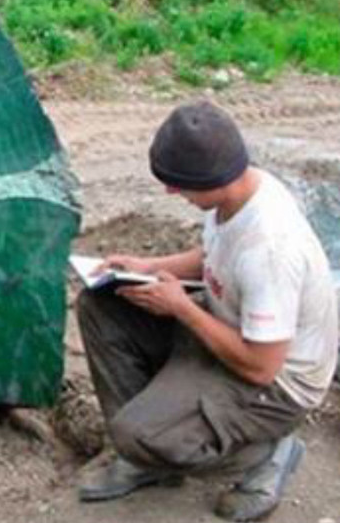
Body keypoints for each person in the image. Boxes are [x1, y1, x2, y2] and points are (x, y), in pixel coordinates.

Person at [75, 101, 338, 521]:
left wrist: (183, 308)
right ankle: (149, 457)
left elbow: (260, 367)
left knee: (133, 433)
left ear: (213, 180)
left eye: (179, 185)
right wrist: (147, 268)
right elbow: (212, 254)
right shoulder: (242, 192)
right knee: (101, 305)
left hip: (276, 385)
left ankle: (264, 454)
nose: (172, 193)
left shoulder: (269, 248)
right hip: (229, 330)